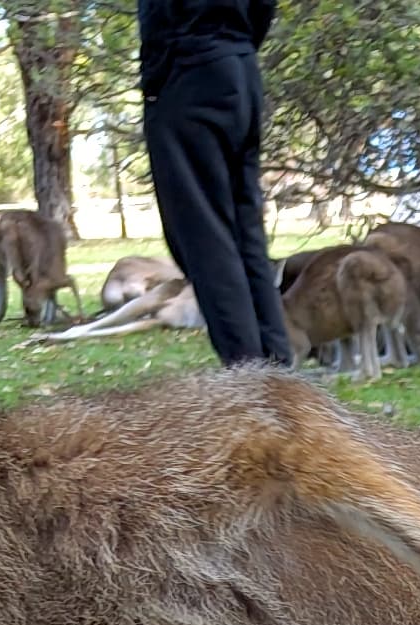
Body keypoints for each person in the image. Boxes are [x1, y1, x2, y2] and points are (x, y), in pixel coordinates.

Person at [139, 0, 292, 367]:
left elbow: (157, 14)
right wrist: (236, 49)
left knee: (203, 238)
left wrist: (158, 77)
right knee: (245, 234)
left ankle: (249, 377)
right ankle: (278, 372)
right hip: (240, 69)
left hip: (187, 69)